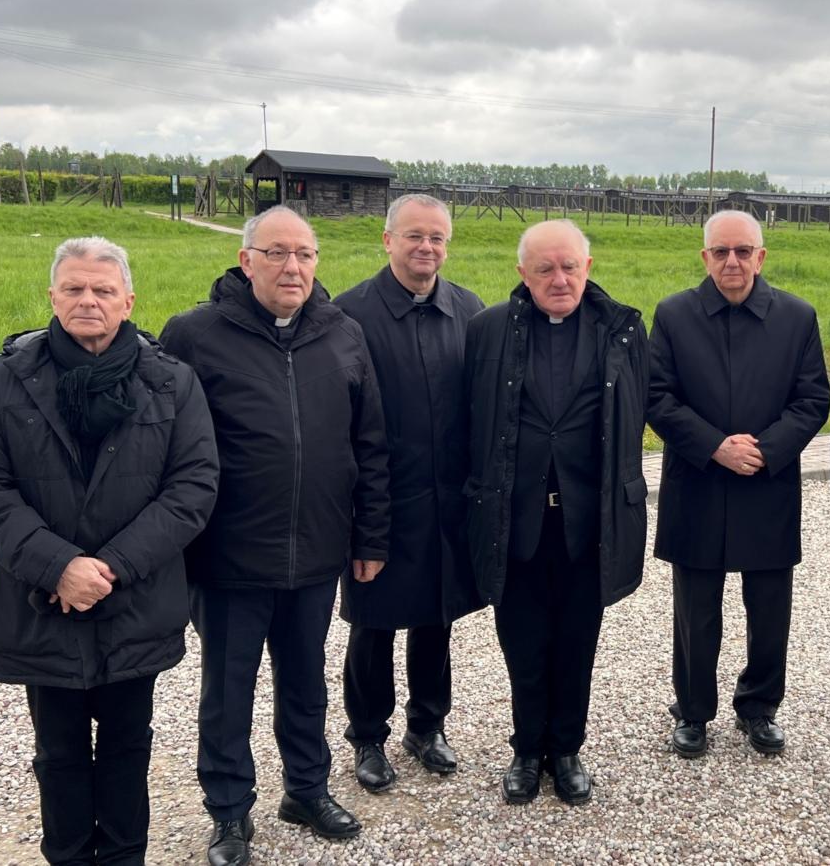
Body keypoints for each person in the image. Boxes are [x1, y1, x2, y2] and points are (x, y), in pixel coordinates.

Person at [0, 236, 219, 864]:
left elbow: (193, 485)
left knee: (130, 746)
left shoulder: (171, 382)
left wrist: (111, 568)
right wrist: (59, 566)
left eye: (103, 290)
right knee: (59, 752)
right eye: (74, 289)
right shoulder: (3, 380)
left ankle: (126, 856)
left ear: (128, 301)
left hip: (135, 600)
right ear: (52, 296)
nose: (88, 301)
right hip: (43, 605)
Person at [159, 206, 390, 866]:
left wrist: (370, 537)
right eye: (278, 253)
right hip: (230, 555)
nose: (294, 267)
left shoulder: (342, 333)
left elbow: (369, 442)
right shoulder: (195, 336)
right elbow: (167, 445)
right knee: (228, 692)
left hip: (318, 550)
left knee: (305, 682)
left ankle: (307, 790)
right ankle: (230, 813)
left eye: (306, 255)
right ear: (246, 260)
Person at [462, 219, 649, 805]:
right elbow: (470, 417)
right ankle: (525, 749)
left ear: (588, 267)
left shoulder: (620, 331)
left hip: (587, 522)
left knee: (576, 641)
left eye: (569, 266)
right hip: (514, 521)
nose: (559, 278)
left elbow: (640, 413)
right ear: (523, 274)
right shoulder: (488, 329)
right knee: (521, 641)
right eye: (544, 268)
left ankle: (566, 748)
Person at [647, 209, 829, 758]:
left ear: (761, 256)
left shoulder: (796, 317)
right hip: (698, 482)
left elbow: (814, 399)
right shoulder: (675, 315)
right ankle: (694, 711)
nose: (732, 261)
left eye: (743, 251)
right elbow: (657, 395)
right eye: (721, 251)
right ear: (704, 257)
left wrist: (764, 451)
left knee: (770, 608)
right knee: (695, 610)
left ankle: (759, 706)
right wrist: (714, 447)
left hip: (766, 485)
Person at [333, 193, 485, 791]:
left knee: (436, 618)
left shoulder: (469, 311)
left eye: (438, 238)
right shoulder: (348, 317)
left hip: (446, 500)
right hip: (379, 501)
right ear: (388, 240)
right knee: (372, 623)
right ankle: (367, 735)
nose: (427, 248)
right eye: (415, 236)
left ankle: (427, 725)